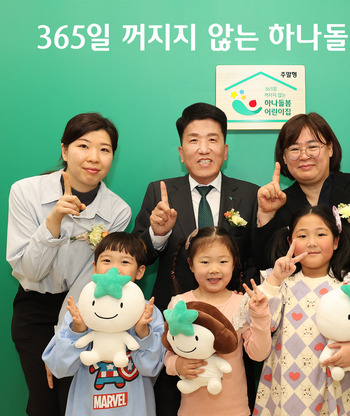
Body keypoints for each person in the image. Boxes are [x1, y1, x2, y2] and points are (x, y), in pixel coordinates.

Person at [133, 103, 260, 414]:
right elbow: (140, 257)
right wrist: (158, 233)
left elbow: (255, 257)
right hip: (176, 329)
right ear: (181, 151)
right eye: (193, 140)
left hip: (231, 330)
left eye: (213, 139)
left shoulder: (249, 194)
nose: (204, 149)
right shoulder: (158, 192)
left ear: (225, 149)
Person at [7, 113, 131, 416]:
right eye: (83, 146)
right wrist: (53, 221)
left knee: (77, 403)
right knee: (44, 402)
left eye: (105, 149)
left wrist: (65, 339)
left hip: (85, 313)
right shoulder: (25, 192)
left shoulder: (118, 211)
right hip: (34, 311)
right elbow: (30, 271)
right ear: (64, 151)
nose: (94, 157)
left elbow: (91, 280)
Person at [256, 112, 350, 314]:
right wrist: (266, 215)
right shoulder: (278, 202)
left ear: (330, 149)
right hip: (297, 315)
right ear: (283, 157)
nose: (304, 155)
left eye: (312, 146)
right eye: (294, 149)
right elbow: (264, 264)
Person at [254, 205, 350, 415]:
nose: (312, 242)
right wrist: (274, 280)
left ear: (336, 241)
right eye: (302, 235)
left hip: (339, 386)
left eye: (321, 234)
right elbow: (264, 324)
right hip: (285, 388)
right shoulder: (279, 283)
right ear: (290, 242)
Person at [43, 232, 165, 416]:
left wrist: (143, 333)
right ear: (94, 268)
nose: (114, 269)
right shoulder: (80, 311)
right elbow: (60, 367)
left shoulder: (148, 312)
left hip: (134, 408)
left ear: (140, 271)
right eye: (106, 260)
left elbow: (151, 367)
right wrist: (77, 330)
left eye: (124, 262)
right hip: (86, 408)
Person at [163, 227, 272, 416]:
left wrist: (260, 315)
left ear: (233, 264)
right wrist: (177, 365)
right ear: (191, 265)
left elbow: (258, 354)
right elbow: (167, 354)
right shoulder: (179, 303)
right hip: (191, 410)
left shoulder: (242, 302)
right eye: (205, 262)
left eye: (223, 261)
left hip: (234, 409)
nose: (214, 269)